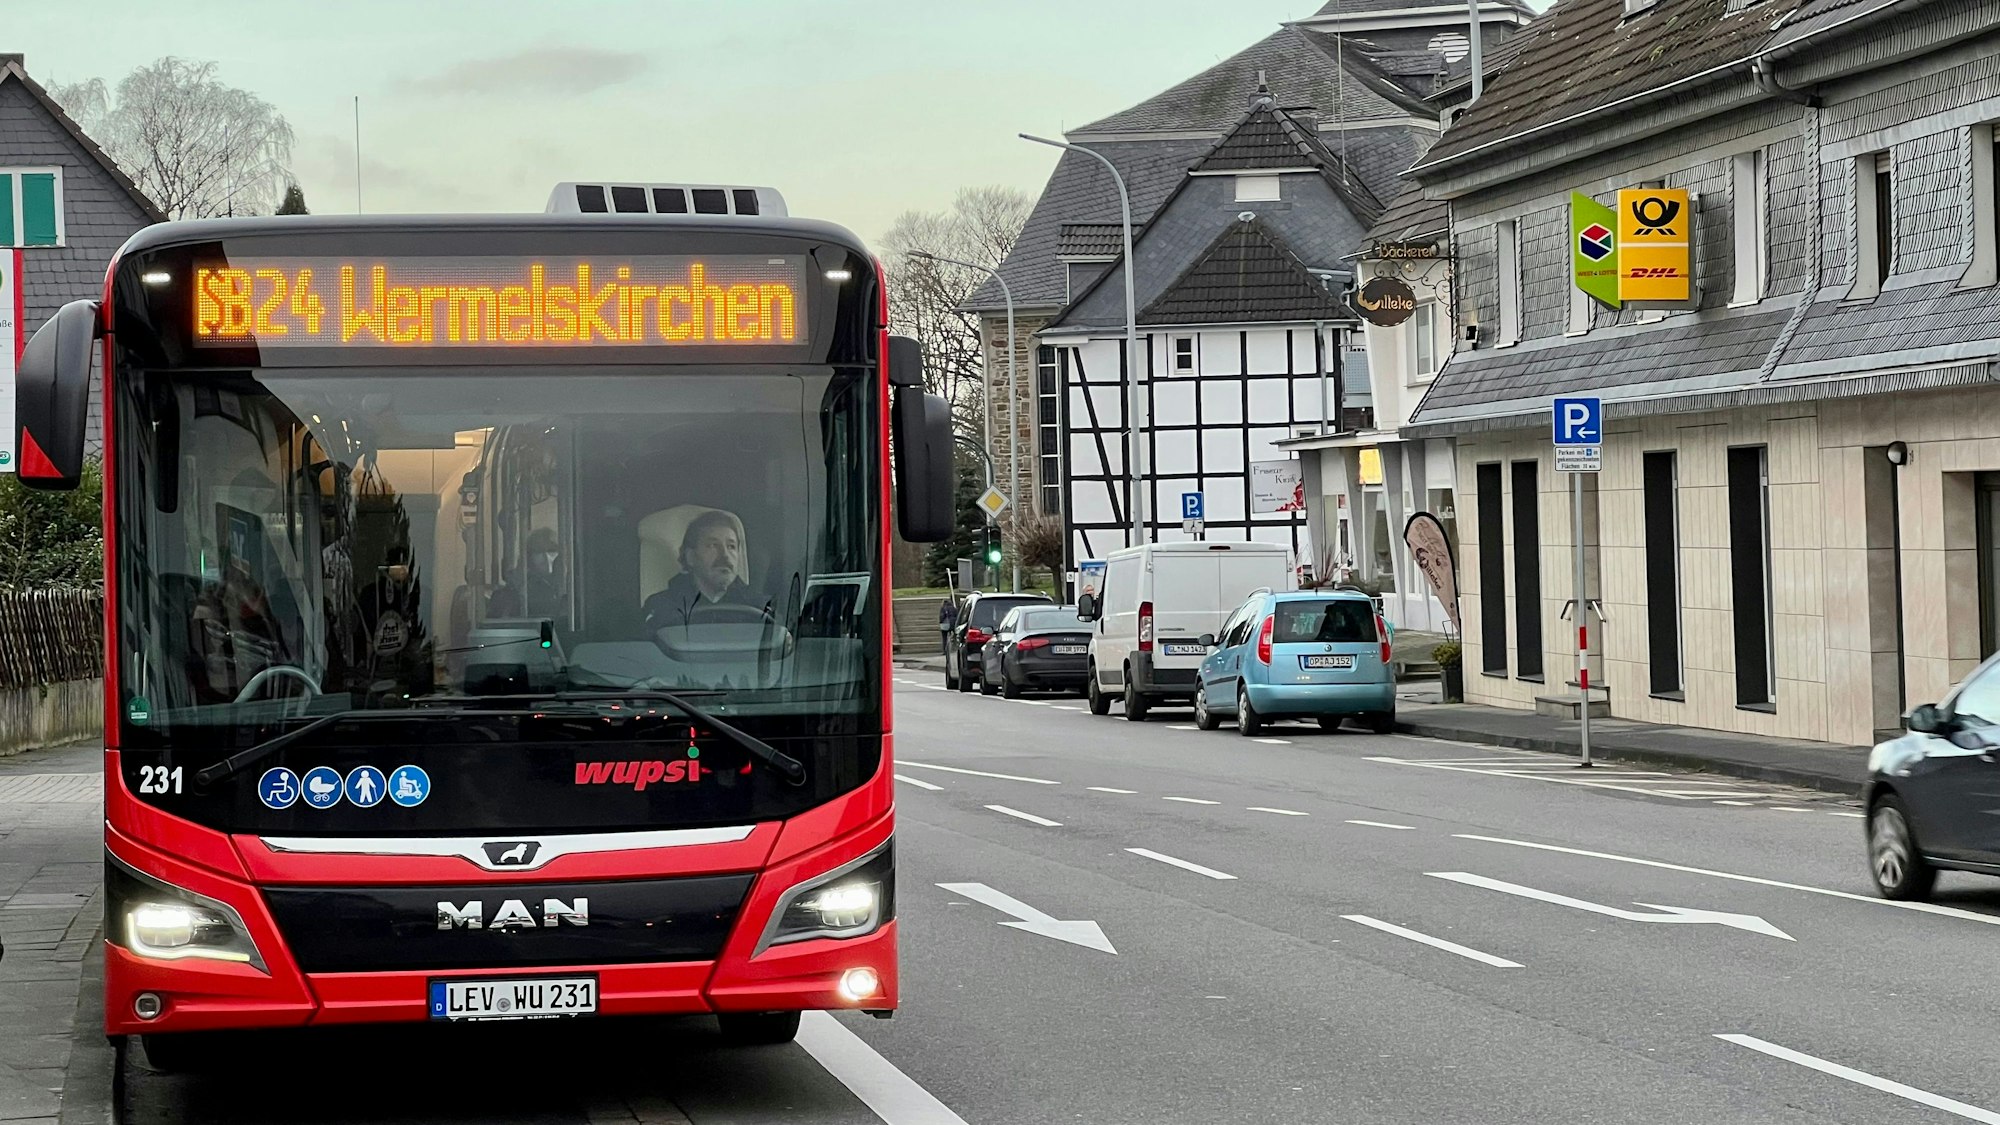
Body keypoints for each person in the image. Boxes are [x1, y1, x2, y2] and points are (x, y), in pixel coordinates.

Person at [642, 509, 765, 632]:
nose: (725, 555)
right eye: (713, 545)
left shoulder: (759, 608)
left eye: (731, 546)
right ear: (690, 557)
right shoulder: (661, 607)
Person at [488, 528, 566, 619]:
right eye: (539, 552)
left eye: (552, 551)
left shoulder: (570, 586)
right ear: (529, 556)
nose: (546, 557)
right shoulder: (516, 587)